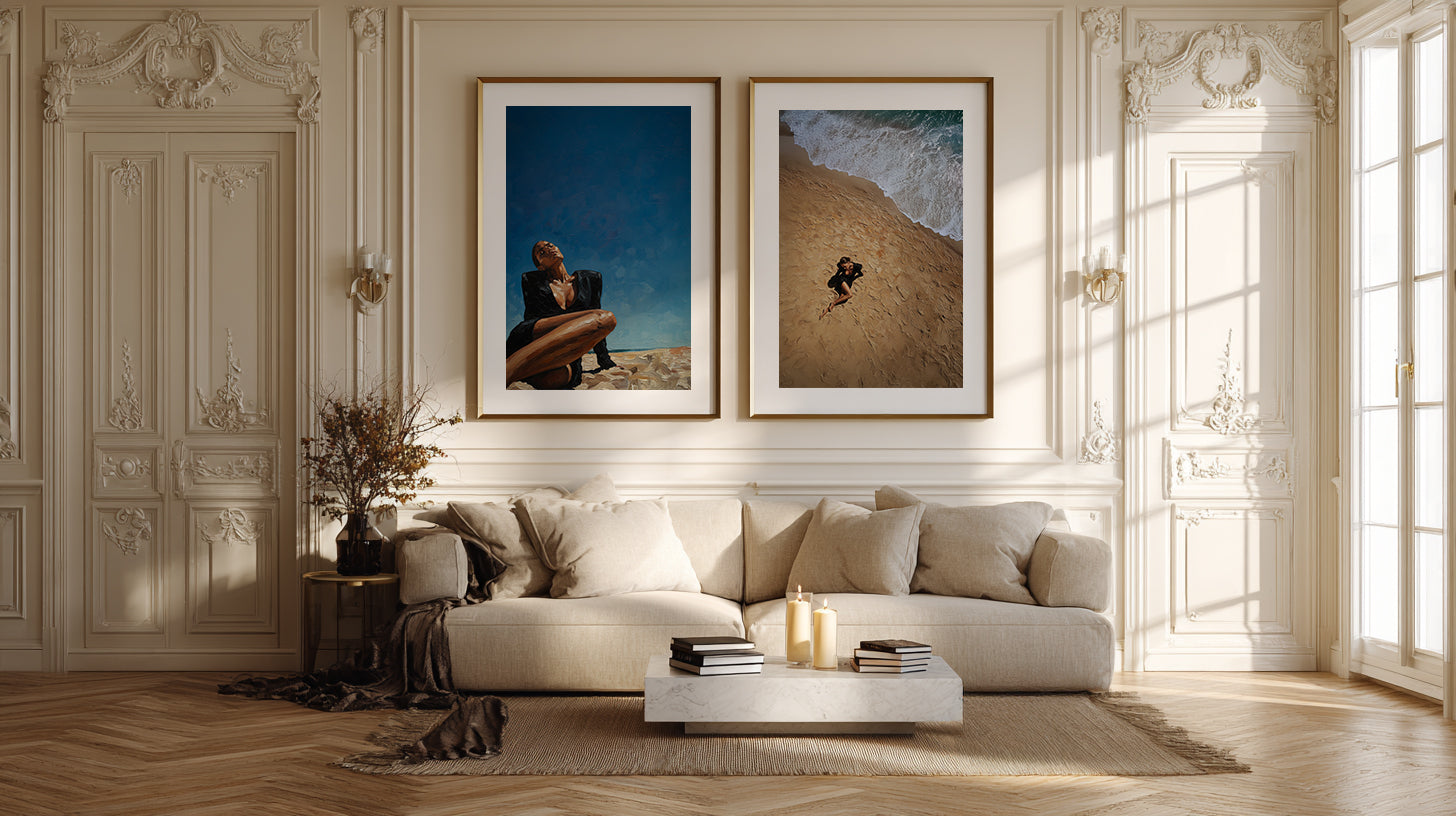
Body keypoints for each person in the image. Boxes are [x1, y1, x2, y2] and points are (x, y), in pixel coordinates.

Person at [505, 240, 618, 389]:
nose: (548, 248)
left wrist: (604, 361)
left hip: (563, 352)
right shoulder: (533, 280)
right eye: (542, 252)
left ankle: (511, 371)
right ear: (540, 266)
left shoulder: (590, 279)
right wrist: (591, 315)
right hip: (532, 338)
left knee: (559, 376)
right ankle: (505, 371)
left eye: (550, 245)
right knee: (604, 318)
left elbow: (595, 332)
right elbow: (532, 320)